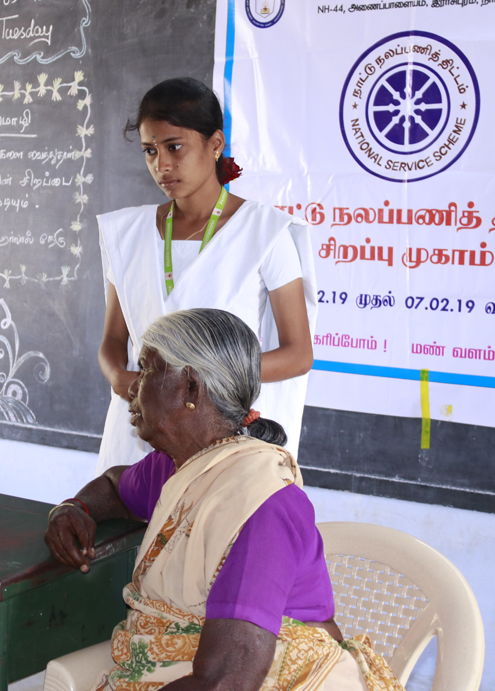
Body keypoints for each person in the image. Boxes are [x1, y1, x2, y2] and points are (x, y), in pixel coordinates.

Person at [47, 309, 401, 691]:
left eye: (147, 369)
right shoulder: (175, 467)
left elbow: (226, 680)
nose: (132, 387)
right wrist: (74, 508)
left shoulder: (260, 503)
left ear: (190, 388)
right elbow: (115, 486)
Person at [97, 77, 316, 471]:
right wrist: (119, 377)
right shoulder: (128, 234)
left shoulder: (265, 232)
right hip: (138, 428)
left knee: (208, 509)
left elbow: (298, 354)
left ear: (215, 144)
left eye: (174, 147)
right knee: (129, 504)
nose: (161, 165)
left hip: (218, 432)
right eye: (150, 151)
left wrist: (204, 378)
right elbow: (114, 339)